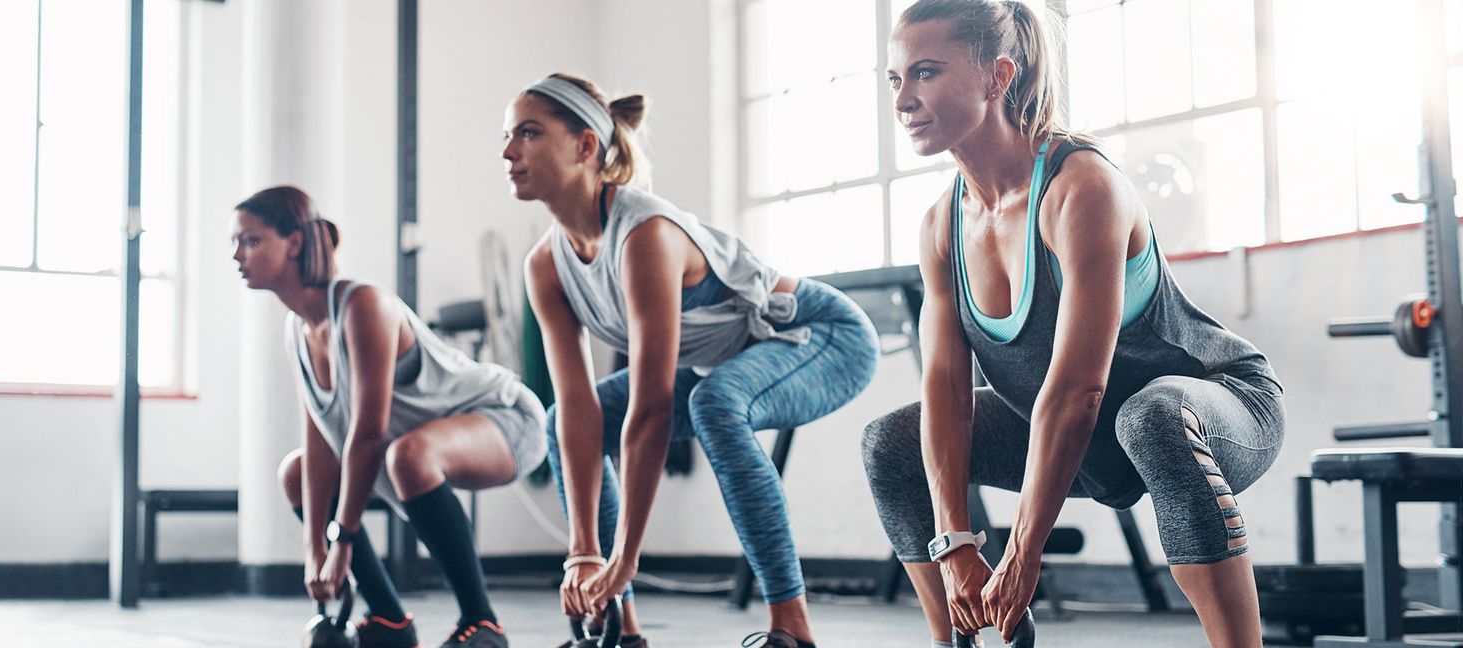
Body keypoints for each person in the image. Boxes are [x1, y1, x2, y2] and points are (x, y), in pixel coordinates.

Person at [859, 2, 1286, 647]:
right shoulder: (940, 226)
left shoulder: (1079, 187)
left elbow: (1078, 388)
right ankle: (958, 639)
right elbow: (945, 390)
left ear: (998, 77)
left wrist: (1025, 553)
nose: (904, 99)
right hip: (1088, 435)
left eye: (925, 73)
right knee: (890, 442)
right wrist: (956, 547)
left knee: (1152, 418)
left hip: (1215, 405)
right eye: (896, 80)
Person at [507, 73, 880, 647]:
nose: (508, 151)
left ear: (585, 146)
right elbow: (579, 409)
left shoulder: (645, 234)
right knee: (564, 422)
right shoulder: (546, 266)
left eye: (528, 134)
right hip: (725, 361)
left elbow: (652, 408)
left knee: (715, 403)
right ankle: (618, 627)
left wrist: (626, 555)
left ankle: (793, 629)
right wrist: (583, 551)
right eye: (507, 136)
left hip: (823, 335)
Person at [232, 185, 547, 648]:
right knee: (296, 471)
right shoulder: (297, 331)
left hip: (504, 420)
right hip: (411, 444)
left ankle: (483, 624)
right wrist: (314, 549)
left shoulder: (363, 306)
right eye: (235, 243)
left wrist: (341, 541)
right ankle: (388, 621)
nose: (238, 255)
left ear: (294, 243)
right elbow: (322, 443)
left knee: (408, 456)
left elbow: (367, 432)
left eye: (251, 241)